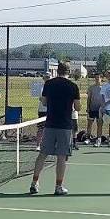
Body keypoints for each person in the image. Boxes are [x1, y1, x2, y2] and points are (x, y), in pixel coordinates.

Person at [30, 62, 80, 196]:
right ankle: (58, 186)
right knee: (61, 157)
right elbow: (78, 107)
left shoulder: (48, 84)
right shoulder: (73, 86)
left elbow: (44, 102)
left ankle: (34, 183)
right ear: (68, 71)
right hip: (64, 126)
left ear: (57, 71)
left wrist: (43, 98)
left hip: (50, 124)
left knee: (43, 154)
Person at [84, 73, 104, 146]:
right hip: (92, 108)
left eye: (98, 77)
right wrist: (88, 107)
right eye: (95, 77)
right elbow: (89, 98)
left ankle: (98, 139)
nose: (97, 79)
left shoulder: (104, 87)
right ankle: (88, 138)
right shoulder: (91, 87)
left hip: (100, 110)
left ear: (101, 78)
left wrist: (103, 107)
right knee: (89, 124)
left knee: (99, 124)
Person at [35, 72, 51, 150]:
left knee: (51, 128)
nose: (47, 79)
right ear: (43, 78)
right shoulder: (40, 87)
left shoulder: (54, 87)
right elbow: (41, 98)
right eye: (46, 77)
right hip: (42, 110)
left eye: (49, 77)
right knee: (41, 128)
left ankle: (49, 144)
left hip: (51, 110)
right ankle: (38, 145)